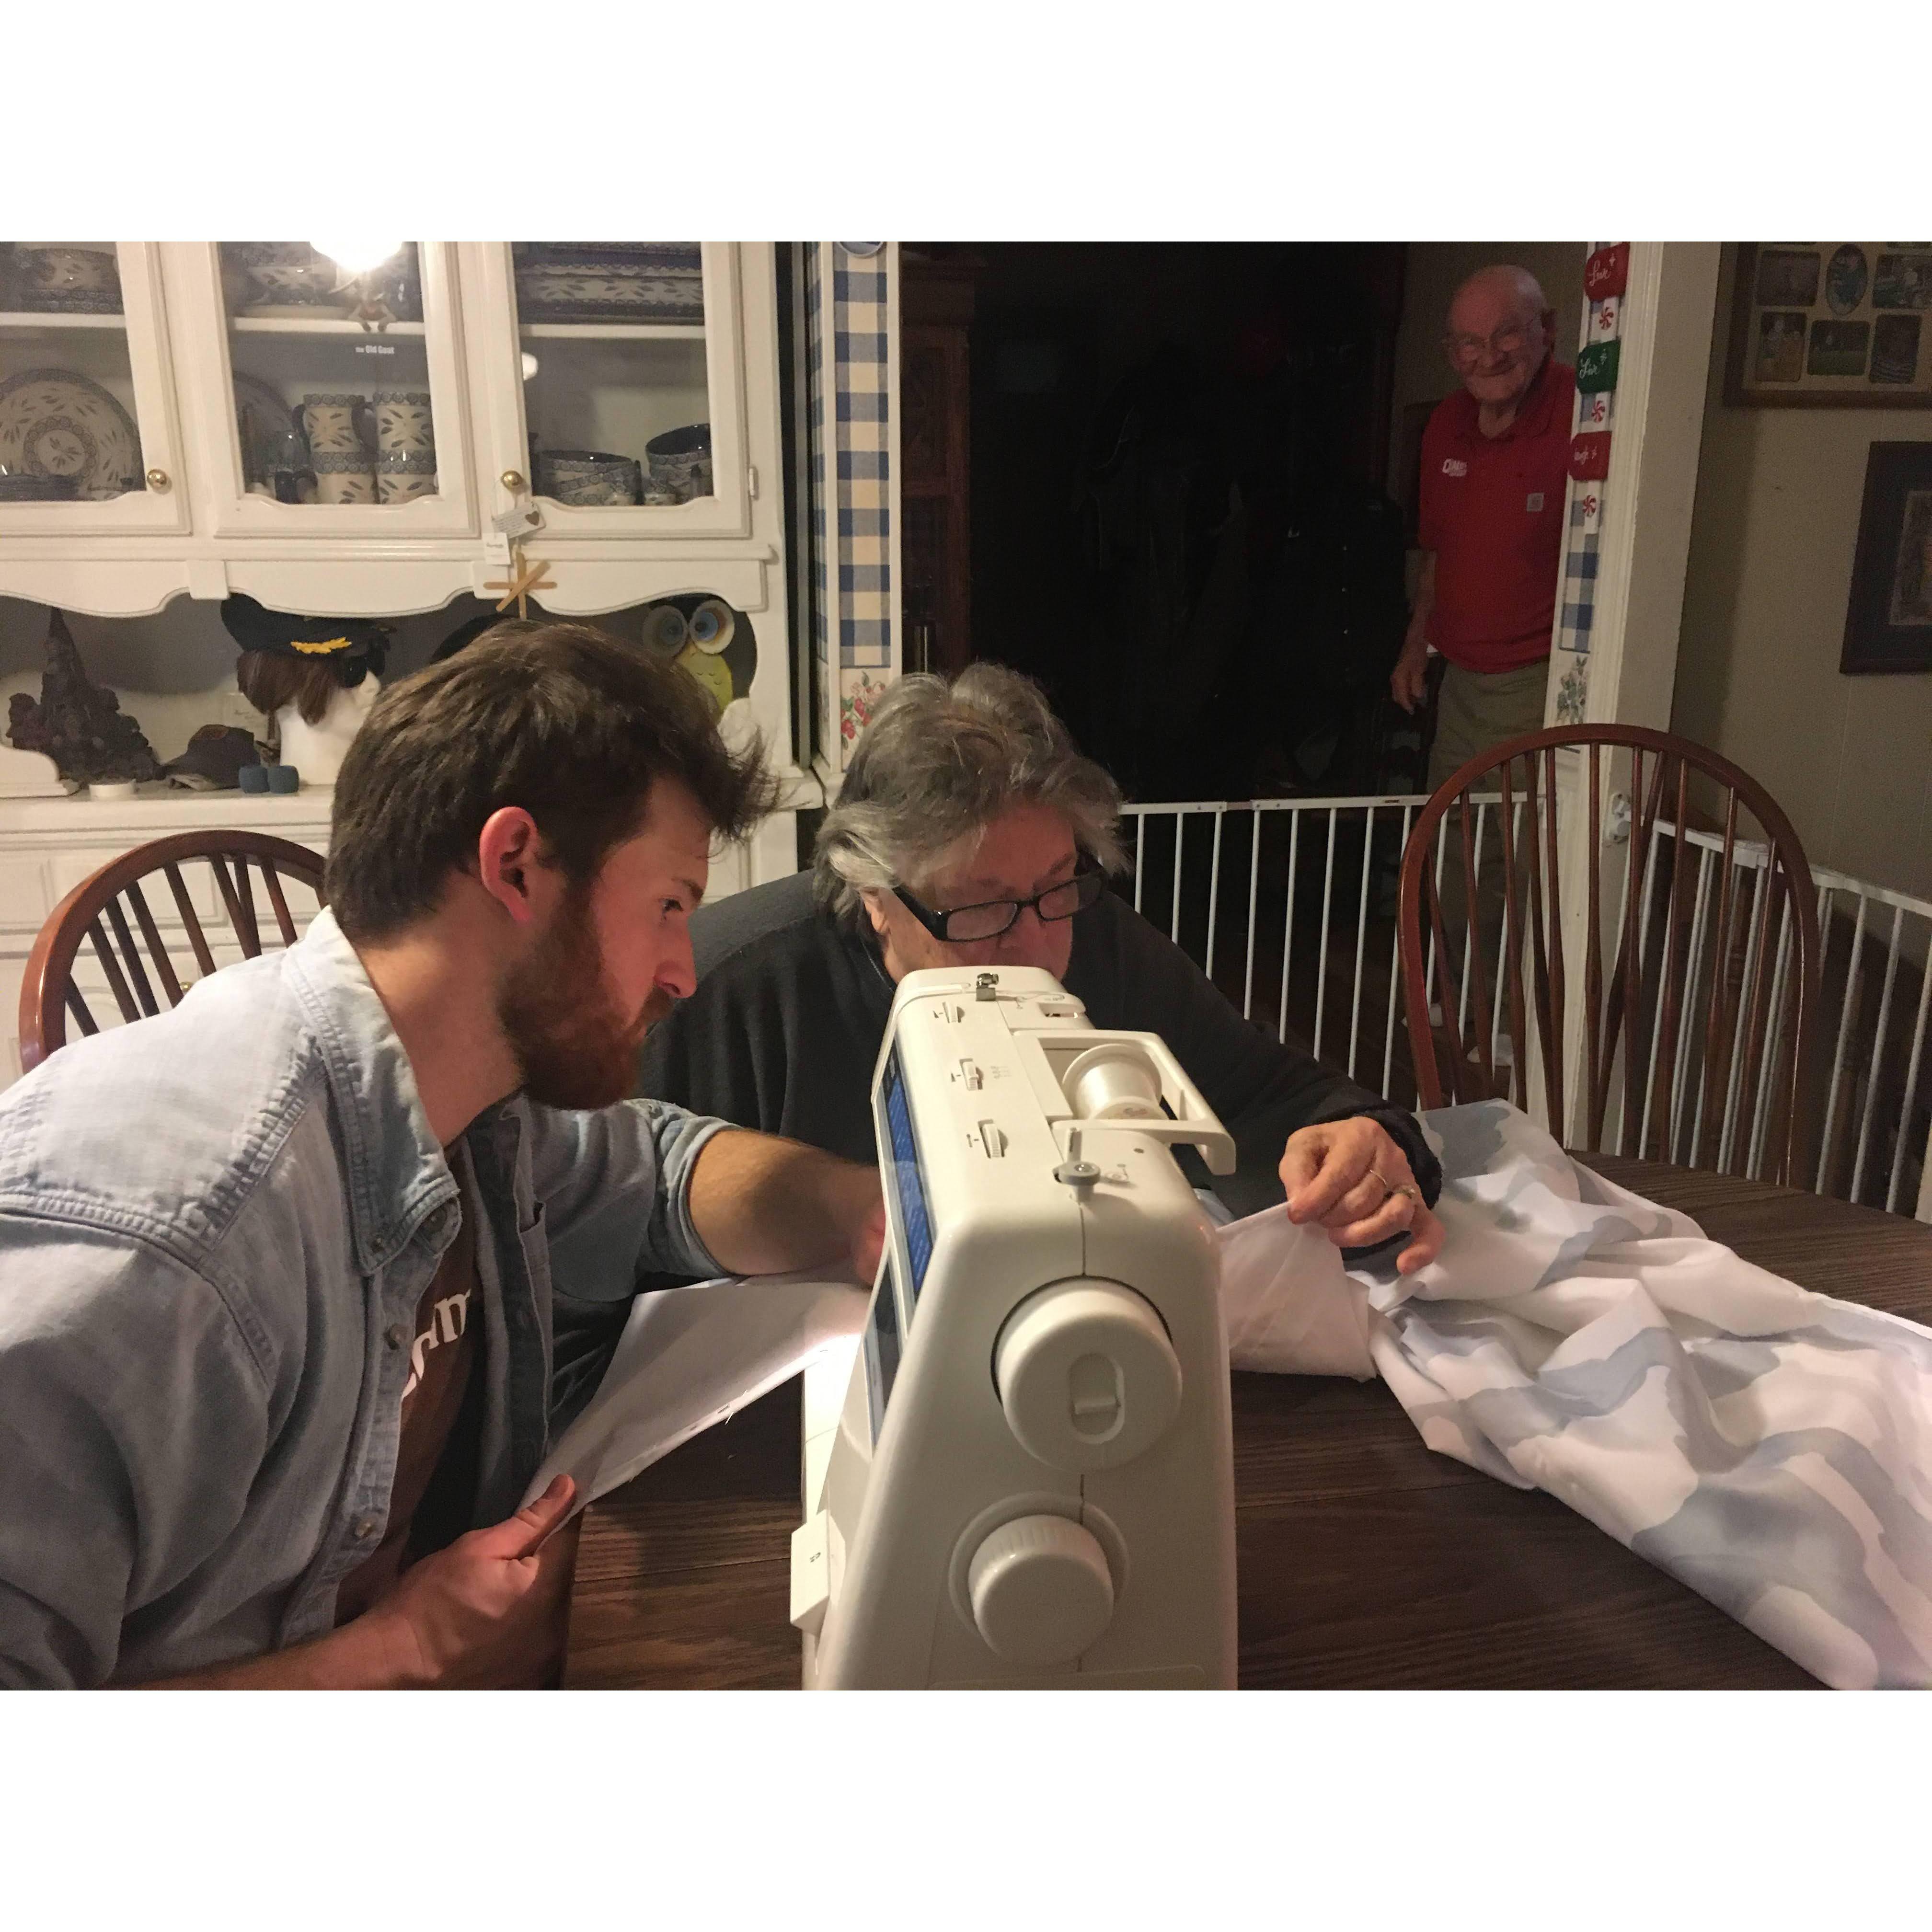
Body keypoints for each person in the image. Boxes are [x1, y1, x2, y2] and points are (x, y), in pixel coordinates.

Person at [0, 625, 884, 1689]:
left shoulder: (472, 1100)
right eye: (667, 907)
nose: (683, 971)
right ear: (516, 865)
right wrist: (400, 1654)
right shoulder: (168, 1253)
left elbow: (647, 1173)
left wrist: (854, 1212)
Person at [630, 666, 1445, 1349]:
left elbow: (1272, 1093)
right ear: (874, 894)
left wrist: (1372, 1145)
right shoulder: (722, 992)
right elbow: (594, 1233)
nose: (1033, 947)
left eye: (1056, 883)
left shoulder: (1089, 939)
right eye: (980, 908)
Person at [1390, 265, 1576, 790]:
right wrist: (1415, 648)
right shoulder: (1447, 423)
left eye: (1508, 334)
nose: (1489, 356)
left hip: (1535, 681)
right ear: (1452, 352)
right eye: (1470, 342)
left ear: (1549, 328)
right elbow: (1438, 552)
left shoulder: (1583, 413)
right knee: (1452, 835)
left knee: (1514, 853)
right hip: (1457, 680)